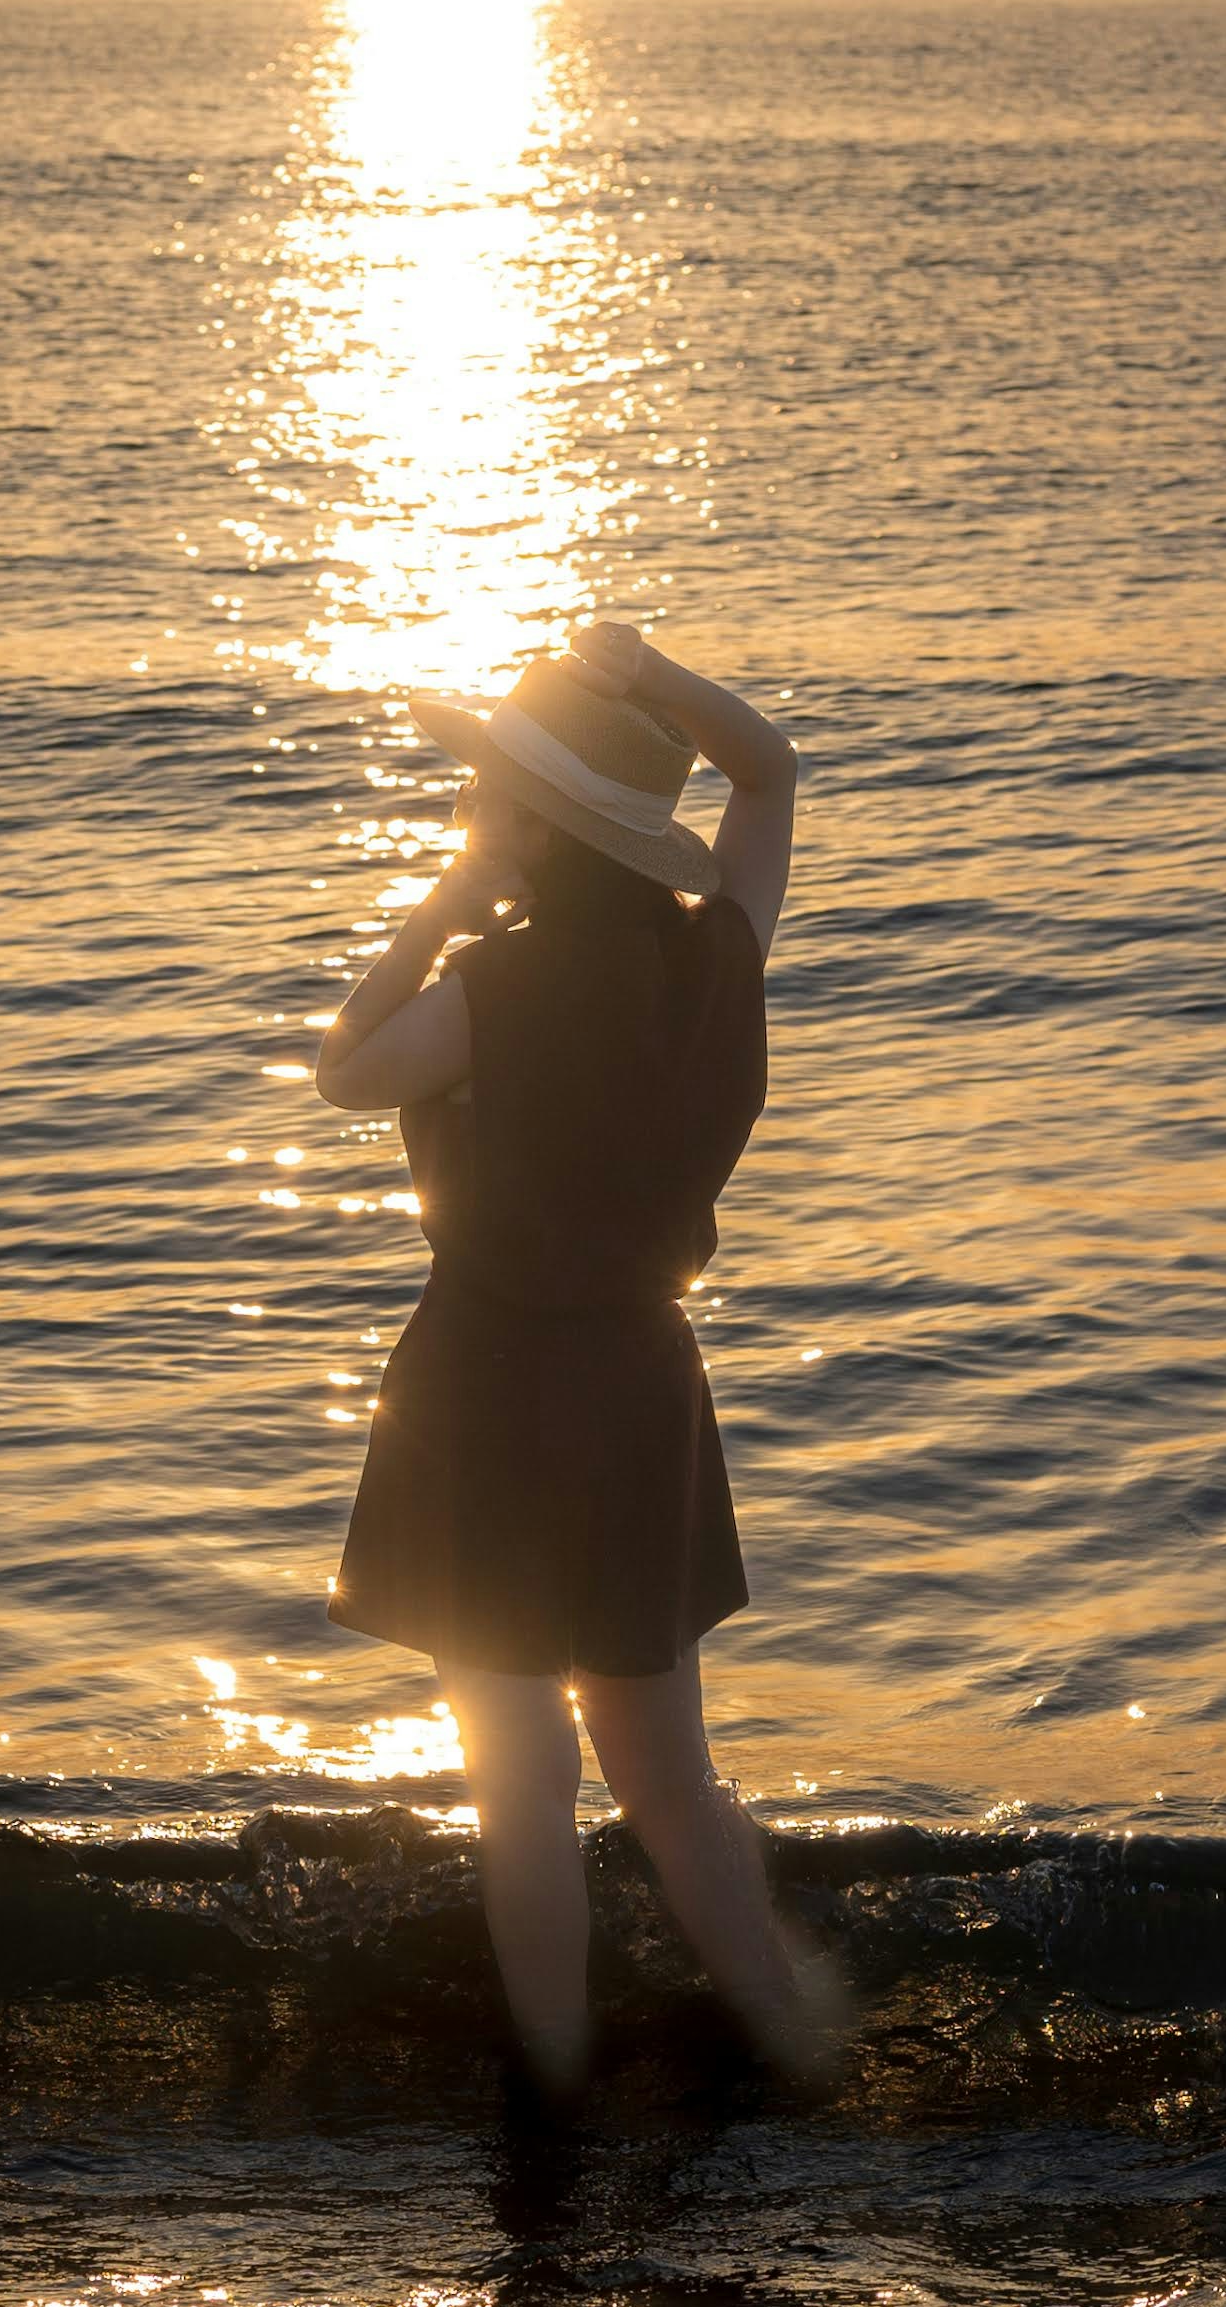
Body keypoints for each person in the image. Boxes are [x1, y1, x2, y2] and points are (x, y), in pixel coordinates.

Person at [311, 620, 844, 2097]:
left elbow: (344, 1070)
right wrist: (657, 679)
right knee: (666, 1775)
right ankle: (802, 2054)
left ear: (536, 823)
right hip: (640, 1391)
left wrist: (438, 908)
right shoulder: (716, 961)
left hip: (484, 1393)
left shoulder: (494, 989)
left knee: (520, 1783)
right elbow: (773, 772)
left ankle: (553, 2083)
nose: (477, 811)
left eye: (493, 794)